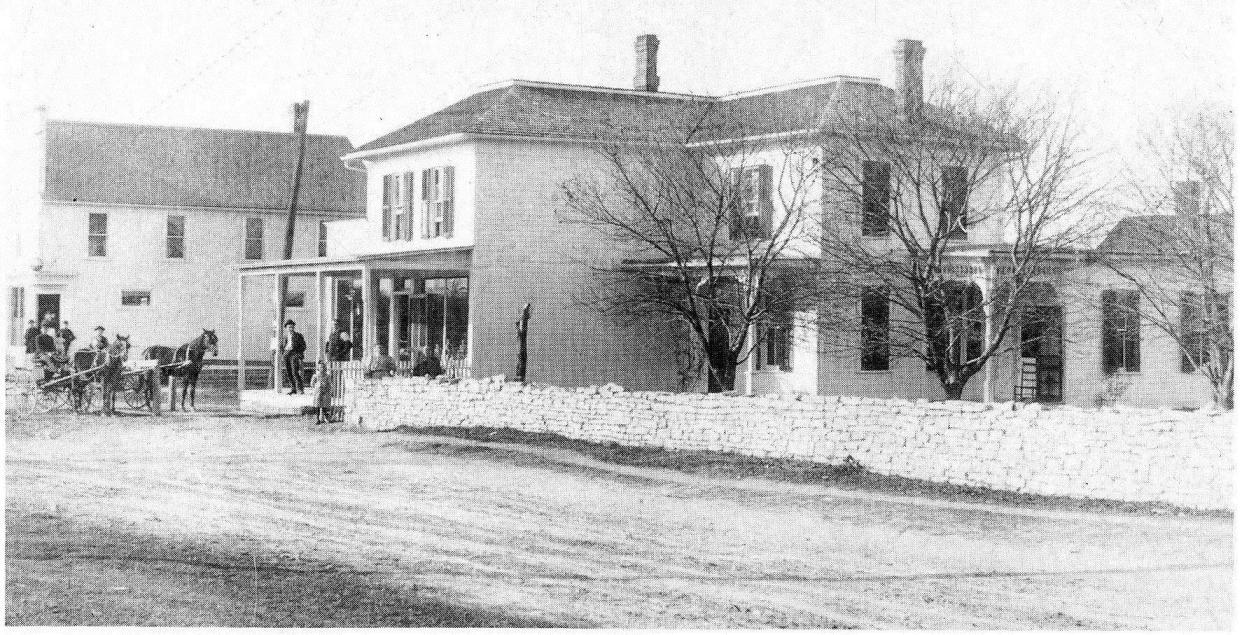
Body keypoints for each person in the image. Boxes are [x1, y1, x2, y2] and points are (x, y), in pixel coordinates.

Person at [280, 320, 307, 395]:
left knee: (295, 372)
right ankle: (293, 389)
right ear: (286, 328)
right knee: (289, 373)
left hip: (294, 354)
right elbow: (281, 347)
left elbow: (303, 346)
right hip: (286, 354)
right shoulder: (284, 337)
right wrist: (283, 354)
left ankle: (300, 389)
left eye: (292, 327)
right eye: (289, 327)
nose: (290, 329)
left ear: (294, 327)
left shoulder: (298, 335)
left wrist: (298, 354)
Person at [310, 359, 333, 425]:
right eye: (320, 367)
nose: (322, 369)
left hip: (325, 392)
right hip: (318, 392)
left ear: (325, 368)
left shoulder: (327, 376)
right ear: (318, 368)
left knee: (324, 405)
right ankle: (317, 419)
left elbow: (329, 383)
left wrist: (329, 389)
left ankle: (326, 418)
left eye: (323, 367)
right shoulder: (315, 376)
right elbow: (312, 383)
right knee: (317, 406)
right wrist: (316, 387)